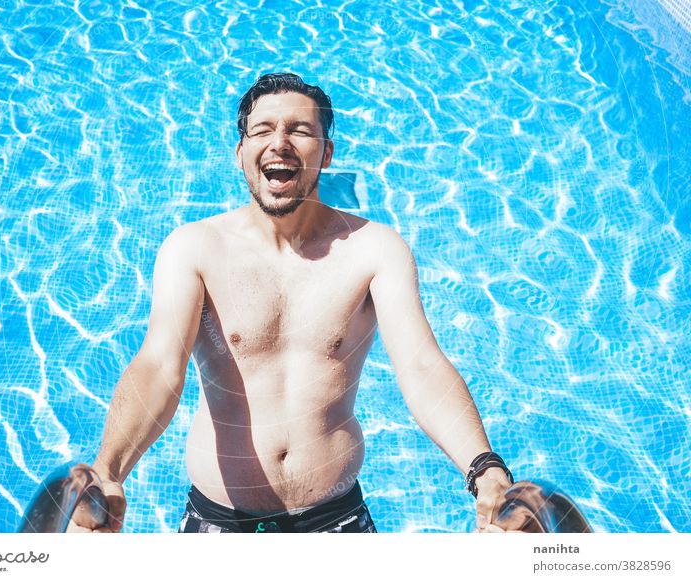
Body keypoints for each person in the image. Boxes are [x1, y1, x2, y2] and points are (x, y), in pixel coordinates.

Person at [70, 72, 513, 534]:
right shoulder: (195, 248)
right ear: (239, 152)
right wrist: (109, 472)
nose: (279, 142)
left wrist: (483, 467)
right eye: (262, 130)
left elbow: (420, 365)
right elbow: (160, 365)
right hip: (219, 523)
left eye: (300, 130)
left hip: (336, 519)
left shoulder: (374, 249)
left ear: (326, 153)